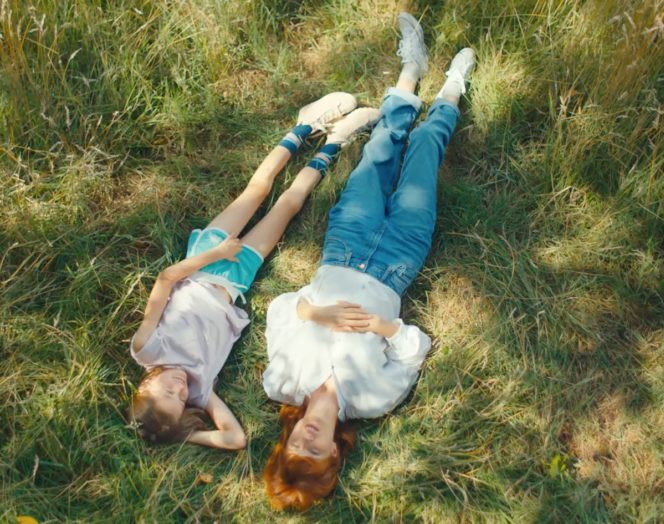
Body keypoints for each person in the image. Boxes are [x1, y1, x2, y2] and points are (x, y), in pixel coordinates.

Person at [262, 12, 476, 509]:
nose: (307, 439)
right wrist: (383, 327)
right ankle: (454, 85)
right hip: (398, 261)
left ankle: (411, 67)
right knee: (424, 150)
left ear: (285, 442)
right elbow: (415, 349)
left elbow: (281, 309)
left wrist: (317, 313)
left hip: (345, 245)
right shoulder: (374, 400)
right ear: (335, 454)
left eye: (296, 447)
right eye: (316, 451)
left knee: (381, 146)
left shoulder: (282, 383)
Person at [127, 93, 381, 449]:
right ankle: (335, 142)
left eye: (168, 392)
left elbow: (166, 279)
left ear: (145, 386)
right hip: (236, 280)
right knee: (289, 205)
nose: (180, 389)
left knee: (259, 189)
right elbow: (235, 438)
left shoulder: (147, 349)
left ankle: (304, 126)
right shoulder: (200, 388)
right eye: (180, 400)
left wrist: (216, 253)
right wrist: (182, 433)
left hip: (204, 262)